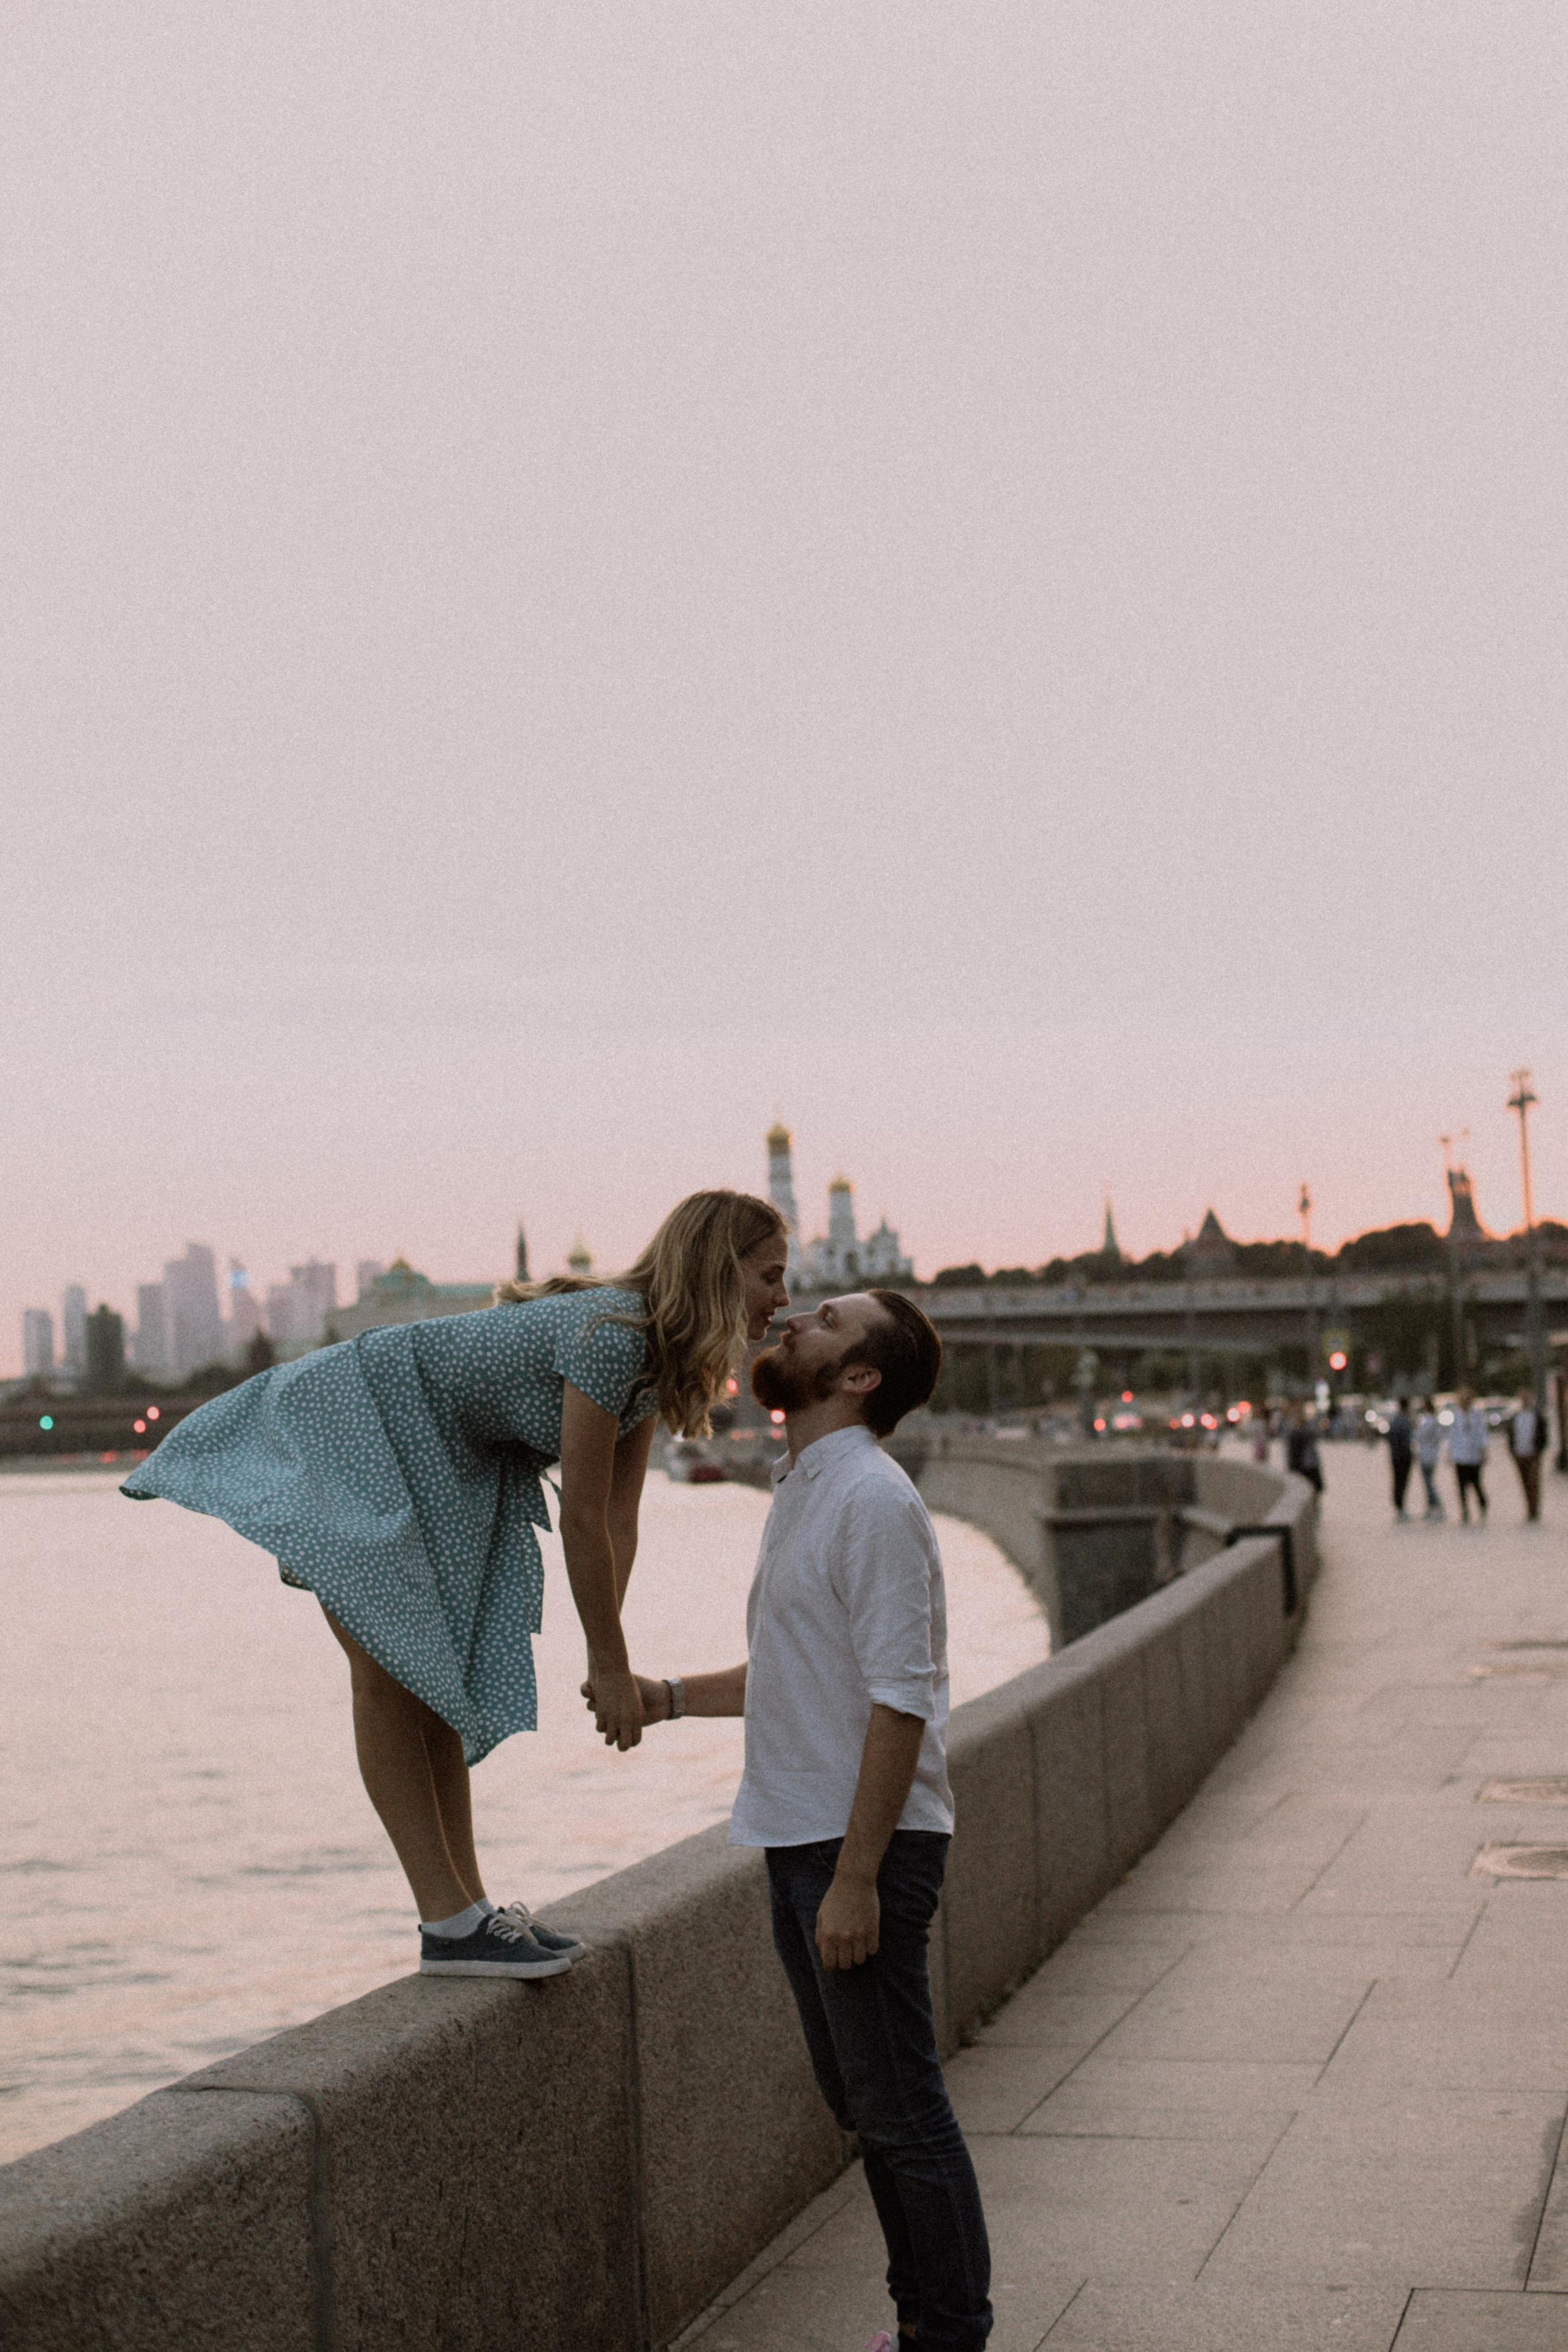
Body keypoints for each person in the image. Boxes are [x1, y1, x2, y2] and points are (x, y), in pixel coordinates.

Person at [123, 1191, 790, 1980]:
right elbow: (580, 1519)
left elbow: (617, 1520)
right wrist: (608, 1665)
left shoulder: (653, 1358)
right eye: (770, 1277)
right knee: (386, 1671)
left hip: (436, 1454)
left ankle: (470, 1913)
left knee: (430, 1678)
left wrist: (609, 1649)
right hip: (361, 1418)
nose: (783, 1300)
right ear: (719, 1270)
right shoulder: (614, 1334)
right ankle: (446, 1922)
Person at [616, 1288, 992, 2352]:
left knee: (904, 2113)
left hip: (852, 1847)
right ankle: (923, 2321)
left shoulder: (869, 1498)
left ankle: (950, 2334)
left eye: (825, 1322)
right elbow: (797, 1673)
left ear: (860, 1377)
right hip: (801, 1836)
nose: (795, 1325)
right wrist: (672, 1697)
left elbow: (903, 1697)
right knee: (868, 2108)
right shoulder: (808, 1487)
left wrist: (859, 1877)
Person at [1447, 1387, 1490, 1524]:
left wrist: (1484, 1450)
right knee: (1461, 1485)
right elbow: (1452, 1436)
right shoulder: (1456, 1415)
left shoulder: (1477, 1415)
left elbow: (1482, 1433)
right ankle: (1465, 1510)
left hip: (1474, 1455)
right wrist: (1451, 1453)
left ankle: (1483, 1503)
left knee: (1476, 1483)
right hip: (1460, 1456)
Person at [1508, 1389, 1548, 1523]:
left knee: (1533, 1482)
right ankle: (1529, 1507)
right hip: (1519, 1454)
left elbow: (1544, 1435)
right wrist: (1512, 1451)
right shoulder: (1515, 1417)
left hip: (1533, 1454)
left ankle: (1534, 1509)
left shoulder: (1537, 1416)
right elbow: (1511, 1435)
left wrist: (1540, 1450)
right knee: (1525, 1482)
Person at [1414, 1398, 1445, 1519]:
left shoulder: (1426, 1421)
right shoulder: (1435, 1421)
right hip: (1432, 1455)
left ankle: (1438, 1506)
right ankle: (1430, 1508)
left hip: (1426, 1456)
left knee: (1429, 1484)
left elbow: (1419, 1436)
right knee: (1428, 1482)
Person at [1384, 1398, 1414, 1519]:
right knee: (1402, 1482)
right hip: (1403, 1456)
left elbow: (1389, 1437)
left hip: (1396, 1456)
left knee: (1397, 1482)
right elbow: (1407, 1440)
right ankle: (1400, 1507)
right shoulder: (1404, 1421)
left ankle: (1399, 1506)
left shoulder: (1395, 1420)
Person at [1284, 1400, 1322, 1493]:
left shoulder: (1306, 1429)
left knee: (1312, 1490)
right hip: (1300, 1466)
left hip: (1308, 1466)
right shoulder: (1292, 1430)